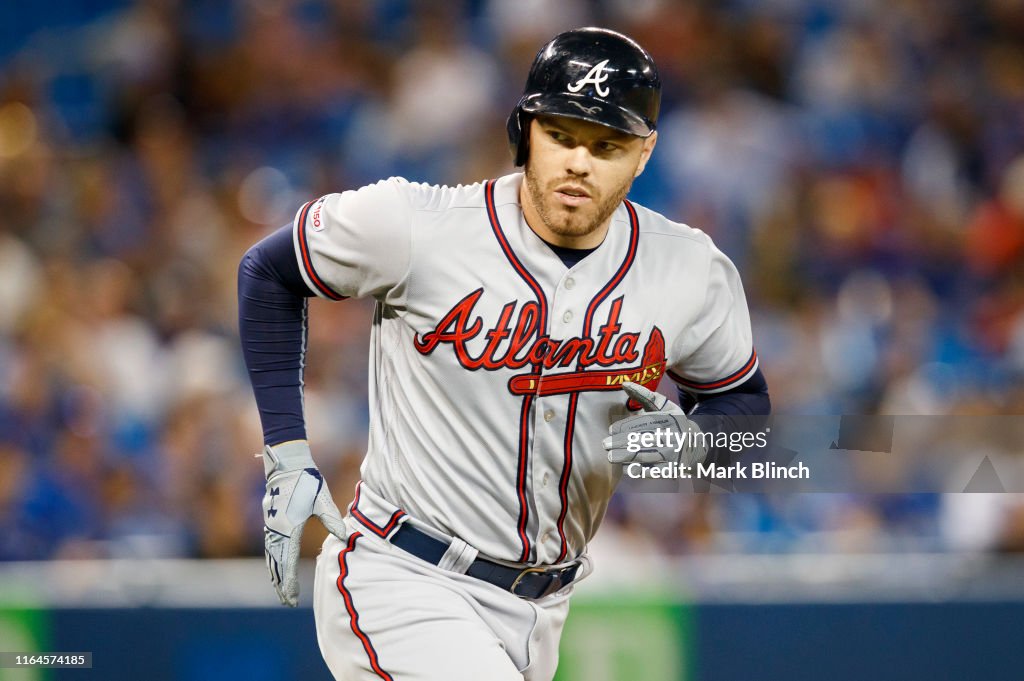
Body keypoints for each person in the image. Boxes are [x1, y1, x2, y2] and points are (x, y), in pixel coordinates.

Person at [238, 26, 769, 681]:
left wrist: (695, 441)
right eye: (562, 135)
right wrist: (286, 454)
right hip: (403, 577)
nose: (579, 161)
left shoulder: (688, 268)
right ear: (525, 132)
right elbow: (268, 270)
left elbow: (742, 404)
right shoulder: (418, 225)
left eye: (607, 145)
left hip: (544, 609)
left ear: (644, 153)